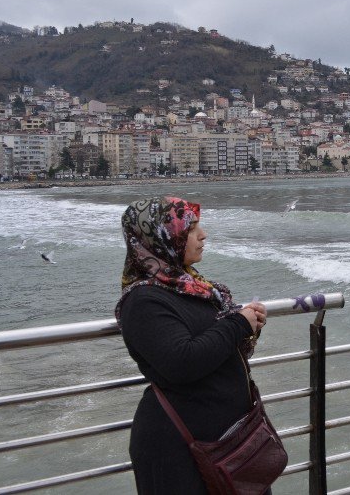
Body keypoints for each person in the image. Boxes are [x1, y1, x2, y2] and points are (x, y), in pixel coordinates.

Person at [114, 196, 268, 494]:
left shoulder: (193, 287)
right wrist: (237, 324)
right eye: (191, 228)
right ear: (162, 237)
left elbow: (215, 343)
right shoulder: (143, 300)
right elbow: (182, 362)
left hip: (229, 440)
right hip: (179, 451)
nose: (203, 235)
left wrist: (248, 323)